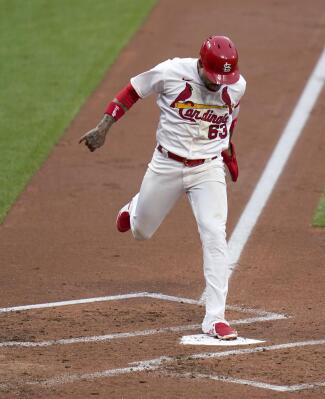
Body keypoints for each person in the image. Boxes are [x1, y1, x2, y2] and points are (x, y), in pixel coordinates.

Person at [79, 35, 246, 340]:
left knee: (214, 232)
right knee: (142, 231)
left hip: (207, 168)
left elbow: (227, 120)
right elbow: (132, 91)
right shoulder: (172, 72)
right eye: (213, 77)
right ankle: (134, 208)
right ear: (201, 63)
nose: (218, 83)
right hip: (166, 164)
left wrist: (228, 151)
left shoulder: (236, 86)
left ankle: (215, 317)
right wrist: (104, 127)